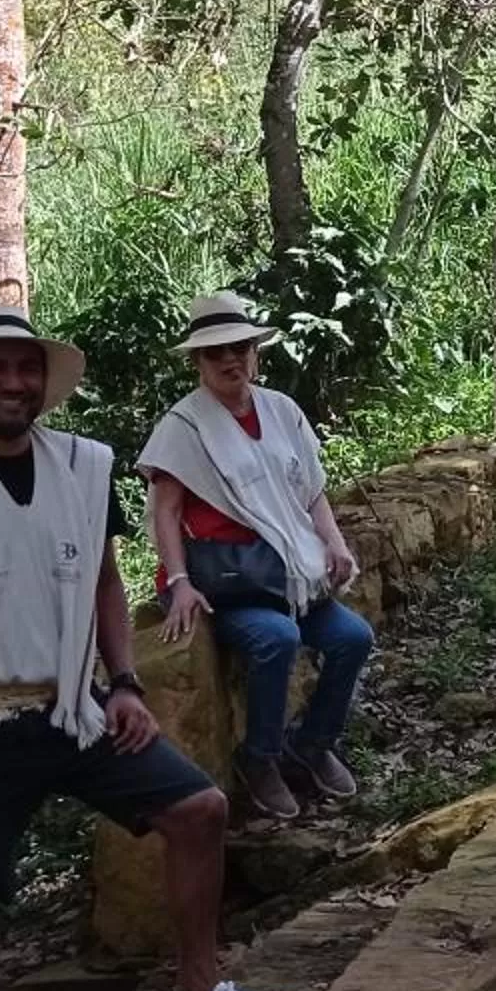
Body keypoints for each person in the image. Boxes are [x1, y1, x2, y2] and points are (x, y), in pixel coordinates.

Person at [0, 304, 299, 991]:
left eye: (26, 368)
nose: (13, 382)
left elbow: (104, 583)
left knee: (199, 809)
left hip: (72, 707)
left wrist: (123, 683)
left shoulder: (82, 466)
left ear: (44, 384)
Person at [137, 291, 376, 823]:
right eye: (217, 352)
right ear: (198, 361)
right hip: (227, 577)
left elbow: (310, 491)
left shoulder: (281, 410)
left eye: (241, 348)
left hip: (290, 571)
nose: (231, 360)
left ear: (255, 353)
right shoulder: (184, 427)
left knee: (353, 637)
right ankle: (260, 759)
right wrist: (177, 580)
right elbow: (165, 509)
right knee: (276, 637)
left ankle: (312, 745)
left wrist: (334, 545)